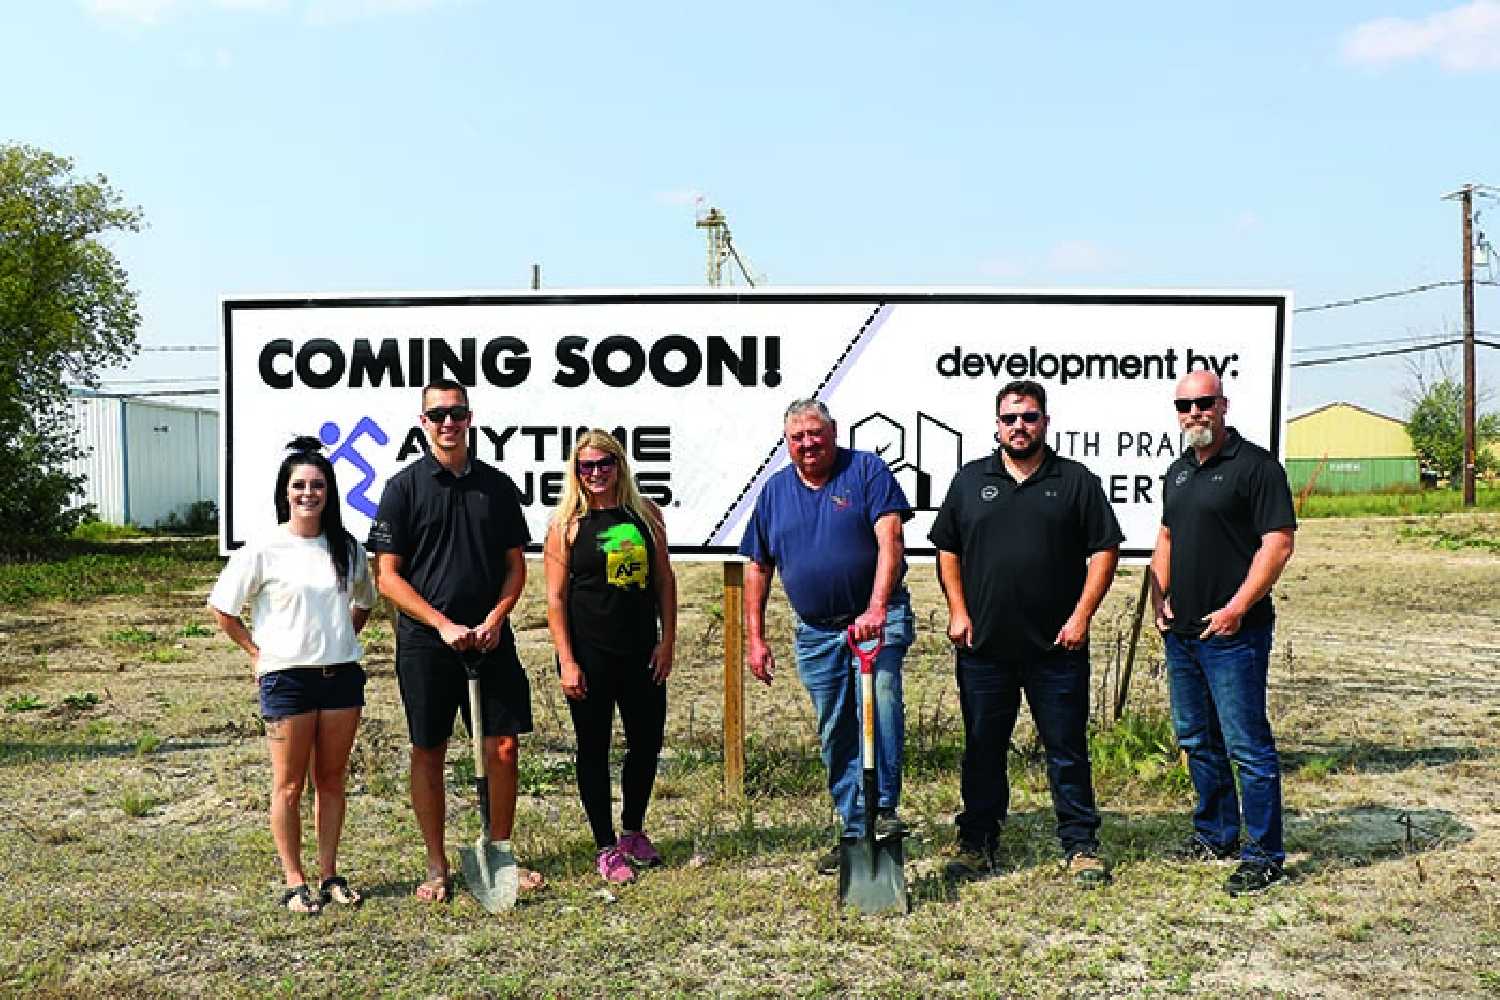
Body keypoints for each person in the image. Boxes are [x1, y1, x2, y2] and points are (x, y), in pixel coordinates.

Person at [929, 380, 1122, 887]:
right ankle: (977, 843)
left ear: (1045, 423)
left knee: (1066, 747)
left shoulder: (1075, 480)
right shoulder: (970, 481)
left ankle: (1081, 845)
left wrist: (1082, 615)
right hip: (984, 646)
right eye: (1010, 418)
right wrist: (957, 610)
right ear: (997, 424)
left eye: (1029, 417)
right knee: (982, 747)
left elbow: (1104, 550)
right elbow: (947, 549)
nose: (1020, 426)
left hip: (1057, 647)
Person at [367, 379, 543, 902]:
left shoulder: (496, 485)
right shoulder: (403, 489)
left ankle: (499, 852)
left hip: (491, 639)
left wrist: (496, 616)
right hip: (427, 644)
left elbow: (516, 568)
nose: (448, 422)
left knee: (504, 748)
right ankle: (437, 864)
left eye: (457, 413)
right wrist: (441, 623)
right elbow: (388, 577)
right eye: (438, 414)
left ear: (470, 418)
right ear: (423, 423)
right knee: (429, 750)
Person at [740, 398, 916, 875]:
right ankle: (854, 826)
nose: (808, 444)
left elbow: (891, 541)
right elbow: (757, 566)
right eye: (798, 437)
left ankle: (883, 811)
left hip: (877, 623)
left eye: (816, 433)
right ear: (786, 442)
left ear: (834, 431)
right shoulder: (775, 493)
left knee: (879, 700)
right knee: (836, 727)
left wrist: (876, 607)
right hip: (817, 633)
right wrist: (755, 638)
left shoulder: (867, 472)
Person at [209, 436, 377, 916]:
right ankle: (294, 879)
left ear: (330, 491)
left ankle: (329, 874)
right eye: (300, 485)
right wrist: (256, 654)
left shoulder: (347, 547)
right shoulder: (263, 548)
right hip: (287, 681)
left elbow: (364, 601)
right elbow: (223, 610)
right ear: (285, 492)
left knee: (331, 780)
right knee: (288, 784)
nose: (309, 493)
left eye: (318, 484)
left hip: (340, 678)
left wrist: (340, 635)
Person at [1150, 369, 1297, 896]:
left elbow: (1276, 544)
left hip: (1234, 633)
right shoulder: (1179, 471)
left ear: (1223, 404)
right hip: (1184, 633)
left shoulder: (1255, 468)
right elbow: (1166, 536)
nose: (1194, 413)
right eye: (1185, 405)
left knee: (1246, 745)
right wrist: (1157, 599)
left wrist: (1237, 607)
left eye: (1204, 403)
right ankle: (1216, 833)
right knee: (1197, 738)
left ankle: (1264, 854)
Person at [543, 430, 678, 884]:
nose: (597, 473)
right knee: (594, 750)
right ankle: (605, 846)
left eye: (605, 464)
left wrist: (667, 640)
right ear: (576, 472)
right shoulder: (566, 525)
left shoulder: (646, 516)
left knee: (646, 744)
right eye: (587, 466)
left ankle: (633, 831)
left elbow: (664, 581)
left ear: (620, 465)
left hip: (641, 652)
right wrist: (568, 660)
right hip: (590, 656)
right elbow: (556, 599)